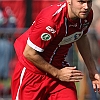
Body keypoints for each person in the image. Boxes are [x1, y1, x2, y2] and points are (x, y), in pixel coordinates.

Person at [11, 0, 100, 100]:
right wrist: (58, 74)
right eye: (81, 2)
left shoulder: (86, 15)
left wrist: (92, 70)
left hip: (59, 71)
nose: (86, 7)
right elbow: (29, 53)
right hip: (32, 73)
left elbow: (81, 36)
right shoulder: (51, 20)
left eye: (89, 2)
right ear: (69, 1)